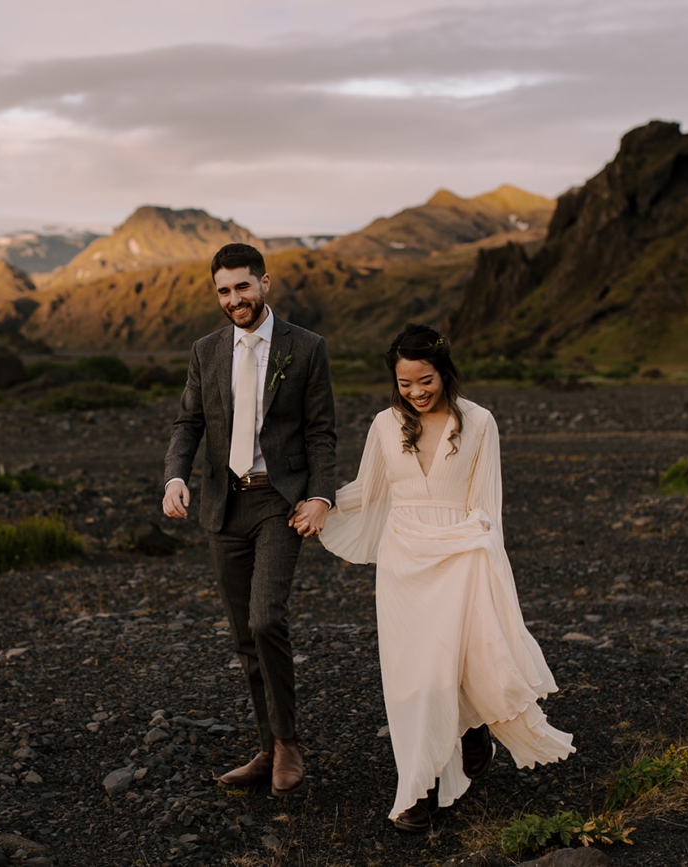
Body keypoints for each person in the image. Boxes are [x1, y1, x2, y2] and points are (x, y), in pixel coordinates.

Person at [319, 324, 573, 831]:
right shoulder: (384, 425)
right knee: (410, 677)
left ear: (445, 371)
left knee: (453, 665)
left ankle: (469, 728)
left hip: (460, 555)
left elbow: (486, 506)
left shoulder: (479, 422)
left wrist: (481, 561)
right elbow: (365, 492)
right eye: (405, 383)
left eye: (425, 380)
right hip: (403, 563)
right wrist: (317, 505)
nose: (415, 393)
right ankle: (420, 789)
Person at [162, 242, 337, 795]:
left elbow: (320, 432)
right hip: (222, 503)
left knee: (266, 619)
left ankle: (288, 744)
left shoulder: (306, 348)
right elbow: (188, 421)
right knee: (243, 635)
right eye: (223, 290)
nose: (233, 299)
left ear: (265, 283)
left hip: (277, 503)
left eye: (242, 286)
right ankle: (266, 748)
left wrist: (321, 496)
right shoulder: (205, 350)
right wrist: (174, 477)